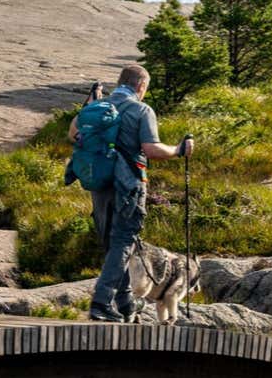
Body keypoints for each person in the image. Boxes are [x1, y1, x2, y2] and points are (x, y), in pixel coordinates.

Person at [72, 64, 194, 322]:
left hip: (99, 184)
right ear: (141, 86)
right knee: (124, 242)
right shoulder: (141, 110)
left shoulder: (96, 107)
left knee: (112, 244)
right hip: (128, 186)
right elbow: (150, 149)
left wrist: (92, 102)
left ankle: (125, 303)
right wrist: (177, 150)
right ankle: (101, 302)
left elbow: (73, 133)